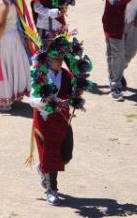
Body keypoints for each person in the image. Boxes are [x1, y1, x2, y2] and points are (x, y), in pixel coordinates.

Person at [28, 32, 93, 205]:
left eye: (61, 58)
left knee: (65, 155)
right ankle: (52, 189)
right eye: (56, 58)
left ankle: (43, 169)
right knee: (51, 156)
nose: (59, 61)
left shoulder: (66, 75)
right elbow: (31, 100)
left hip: (63, 120)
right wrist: (44, 100)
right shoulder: (39, 75)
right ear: (47, 58)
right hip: (44, 120)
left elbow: (73, 93)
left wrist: (76, 97)